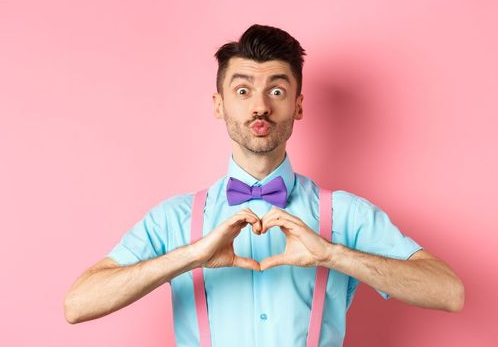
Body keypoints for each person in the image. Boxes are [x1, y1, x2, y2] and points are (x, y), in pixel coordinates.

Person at [63, 24, 464, 347]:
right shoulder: (174, 218)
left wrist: (332, 254)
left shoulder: (346, 214)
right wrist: (190, 256)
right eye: (242, 91)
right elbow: (78, 304)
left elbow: (449, 292)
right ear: (219, 104)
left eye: (277, 90)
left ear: (299, 104)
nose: (260, 106)